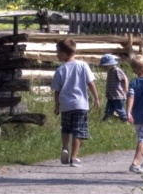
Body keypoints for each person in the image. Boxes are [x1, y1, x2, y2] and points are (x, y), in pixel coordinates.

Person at [50, 37, 100, 166]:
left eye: (58, 52)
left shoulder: (60, 70)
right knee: (78, 131)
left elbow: (57, 91)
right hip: (80, 105)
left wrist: (57, 106)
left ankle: (65, 148)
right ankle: (74, 157)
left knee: (66, 129)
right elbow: (91, 83)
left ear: (64, 54)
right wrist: (96, 98)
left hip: (66, 106)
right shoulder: (83, 65)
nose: (56, 55)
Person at [99, 54, 130, 121]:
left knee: (119, 108)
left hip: (117, 95)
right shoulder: (110, 71)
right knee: (108, 108)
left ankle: (125, 119)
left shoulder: (117, 70)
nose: (105, 68)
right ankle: (107, 118)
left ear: (110, 64)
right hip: (111, 95)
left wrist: (125, 88)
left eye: (106, 66)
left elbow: (124, 78)